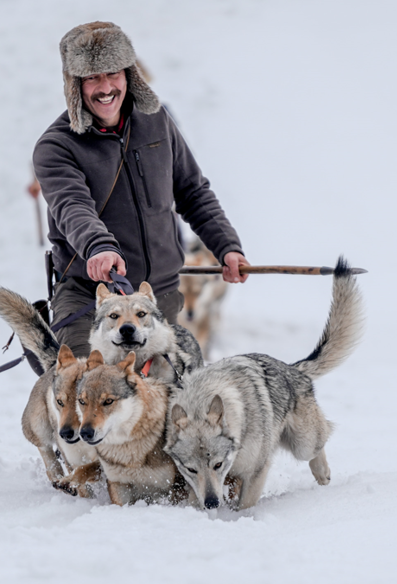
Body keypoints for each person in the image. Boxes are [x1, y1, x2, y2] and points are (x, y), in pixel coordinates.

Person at [33, 21, 249, 356]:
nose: (105, 87)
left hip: (158, 298)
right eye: (92, 77)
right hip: (93, 299)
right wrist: (99, 247)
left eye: (112, 74)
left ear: (129, 75)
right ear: (75, 85)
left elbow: (192, 191)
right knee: (84, 389)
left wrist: (226, 246)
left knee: (173, 401)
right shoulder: (56, 147)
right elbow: (72, 207)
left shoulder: (157, 121)